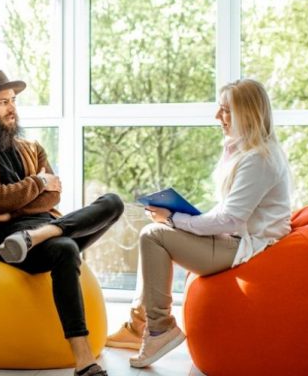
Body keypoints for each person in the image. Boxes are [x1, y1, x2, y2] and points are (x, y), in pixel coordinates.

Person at [105, 79, 292, 368]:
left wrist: (175, 219)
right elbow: (229, 211)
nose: (218, 117)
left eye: (225, 110)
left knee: (154, 235)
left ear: (248, 113)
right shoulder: (243, 151)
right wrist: (178, 219)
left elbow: (231, 218)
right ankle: (141, 325)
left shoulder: (260, 159)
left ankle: (159, 328)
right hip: (236, 239)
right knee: (157, 230)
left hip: (248, 249)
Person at [0, 70, 124, 376]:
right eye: (2, 102)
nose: (11, 108)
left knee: (113, 202)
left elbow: (52, 199)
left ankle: (46, 233)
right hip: (9, 241)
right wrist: (36, 184)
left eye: (13, 100)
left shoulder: (32, 148)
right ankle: (83, 359)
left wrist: (14, 207)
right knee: (66, 248)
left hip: (44, 228)